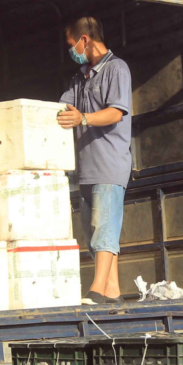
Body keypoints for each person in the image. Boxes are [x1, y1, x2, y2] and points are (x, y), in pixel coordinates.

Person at [57, 17, 132, 305]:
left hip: (109, 163)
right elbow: (63, 108)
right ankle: (112, 290)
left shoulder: (116, 69)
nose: (71, 50)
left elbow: (116, 112)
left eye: (71, 44)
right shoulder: (80, 78)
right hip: (85, 167)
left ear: (84, 40)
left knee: (104, 227)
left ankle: (98, 289)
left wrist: (84, 118)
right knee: (93, 231)